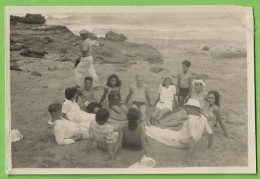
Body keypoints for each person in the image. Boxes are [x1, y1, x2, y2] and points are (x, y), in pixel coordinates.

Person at [145, 99, 213, 157]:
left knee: (154, 132)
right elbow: (210, 133)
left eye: (190, 107)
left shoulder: (191, 120)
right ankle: (152, 124)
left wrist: (189, 156)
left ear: (196, 109)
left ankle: (146, 125)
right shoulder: (203, 118)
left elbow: (193, 138)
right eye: (187, 107)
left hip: (179, 142)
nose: (187, 109)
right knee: (165, 130)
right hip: (183, 139)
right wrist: (209, 147)